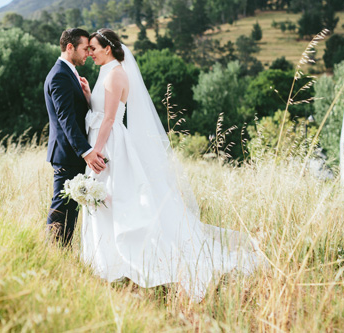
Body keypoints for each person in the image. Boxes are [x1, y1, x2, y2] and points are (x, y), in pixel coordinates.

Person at [80, 28, 263, 301]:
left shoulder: (117, 73)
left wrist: (95, 150)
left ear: (107, 48)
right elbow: (99, 110)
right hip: (105, 142)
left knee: (120, 201)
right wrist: (86, 93)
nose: (90, 52)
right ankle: (109, 263)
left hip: (111, 145)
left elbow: (108, 119)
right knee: (108, 201)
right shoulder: (106, 71)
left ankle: (130, 263)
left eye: (93, 48)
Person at [43, 28, 106, 246]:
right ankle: (51, 253)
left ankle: (62, 253)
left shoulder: (69, 73)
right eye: (84, 48)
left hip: (71, 154)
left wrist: (88, 97)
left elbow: (77, 114)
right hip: (66, 154)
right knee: (61, 206)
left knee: (71, 208)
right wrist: (86, 152)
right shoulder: (60, 75)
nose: (88, 53)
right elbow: (66, 120)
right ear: (70, 47)